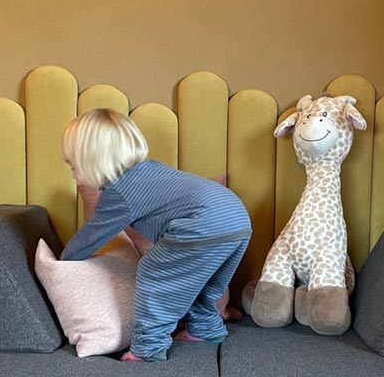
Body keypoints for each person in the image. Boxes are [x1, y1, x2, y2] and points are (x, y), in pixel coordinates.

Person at [60, 108, 251, 362]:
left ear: (94, 160)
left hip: (204, 223)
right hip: (236, 217)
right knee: (199, 281)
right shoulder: (150, 171)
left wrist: (62, 264)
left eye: (73, 166)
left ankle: (147, 348)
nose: (73, 175)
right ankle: (205, 328)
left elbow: (91, 236)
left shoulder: (119, 192)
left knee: (154, 270)